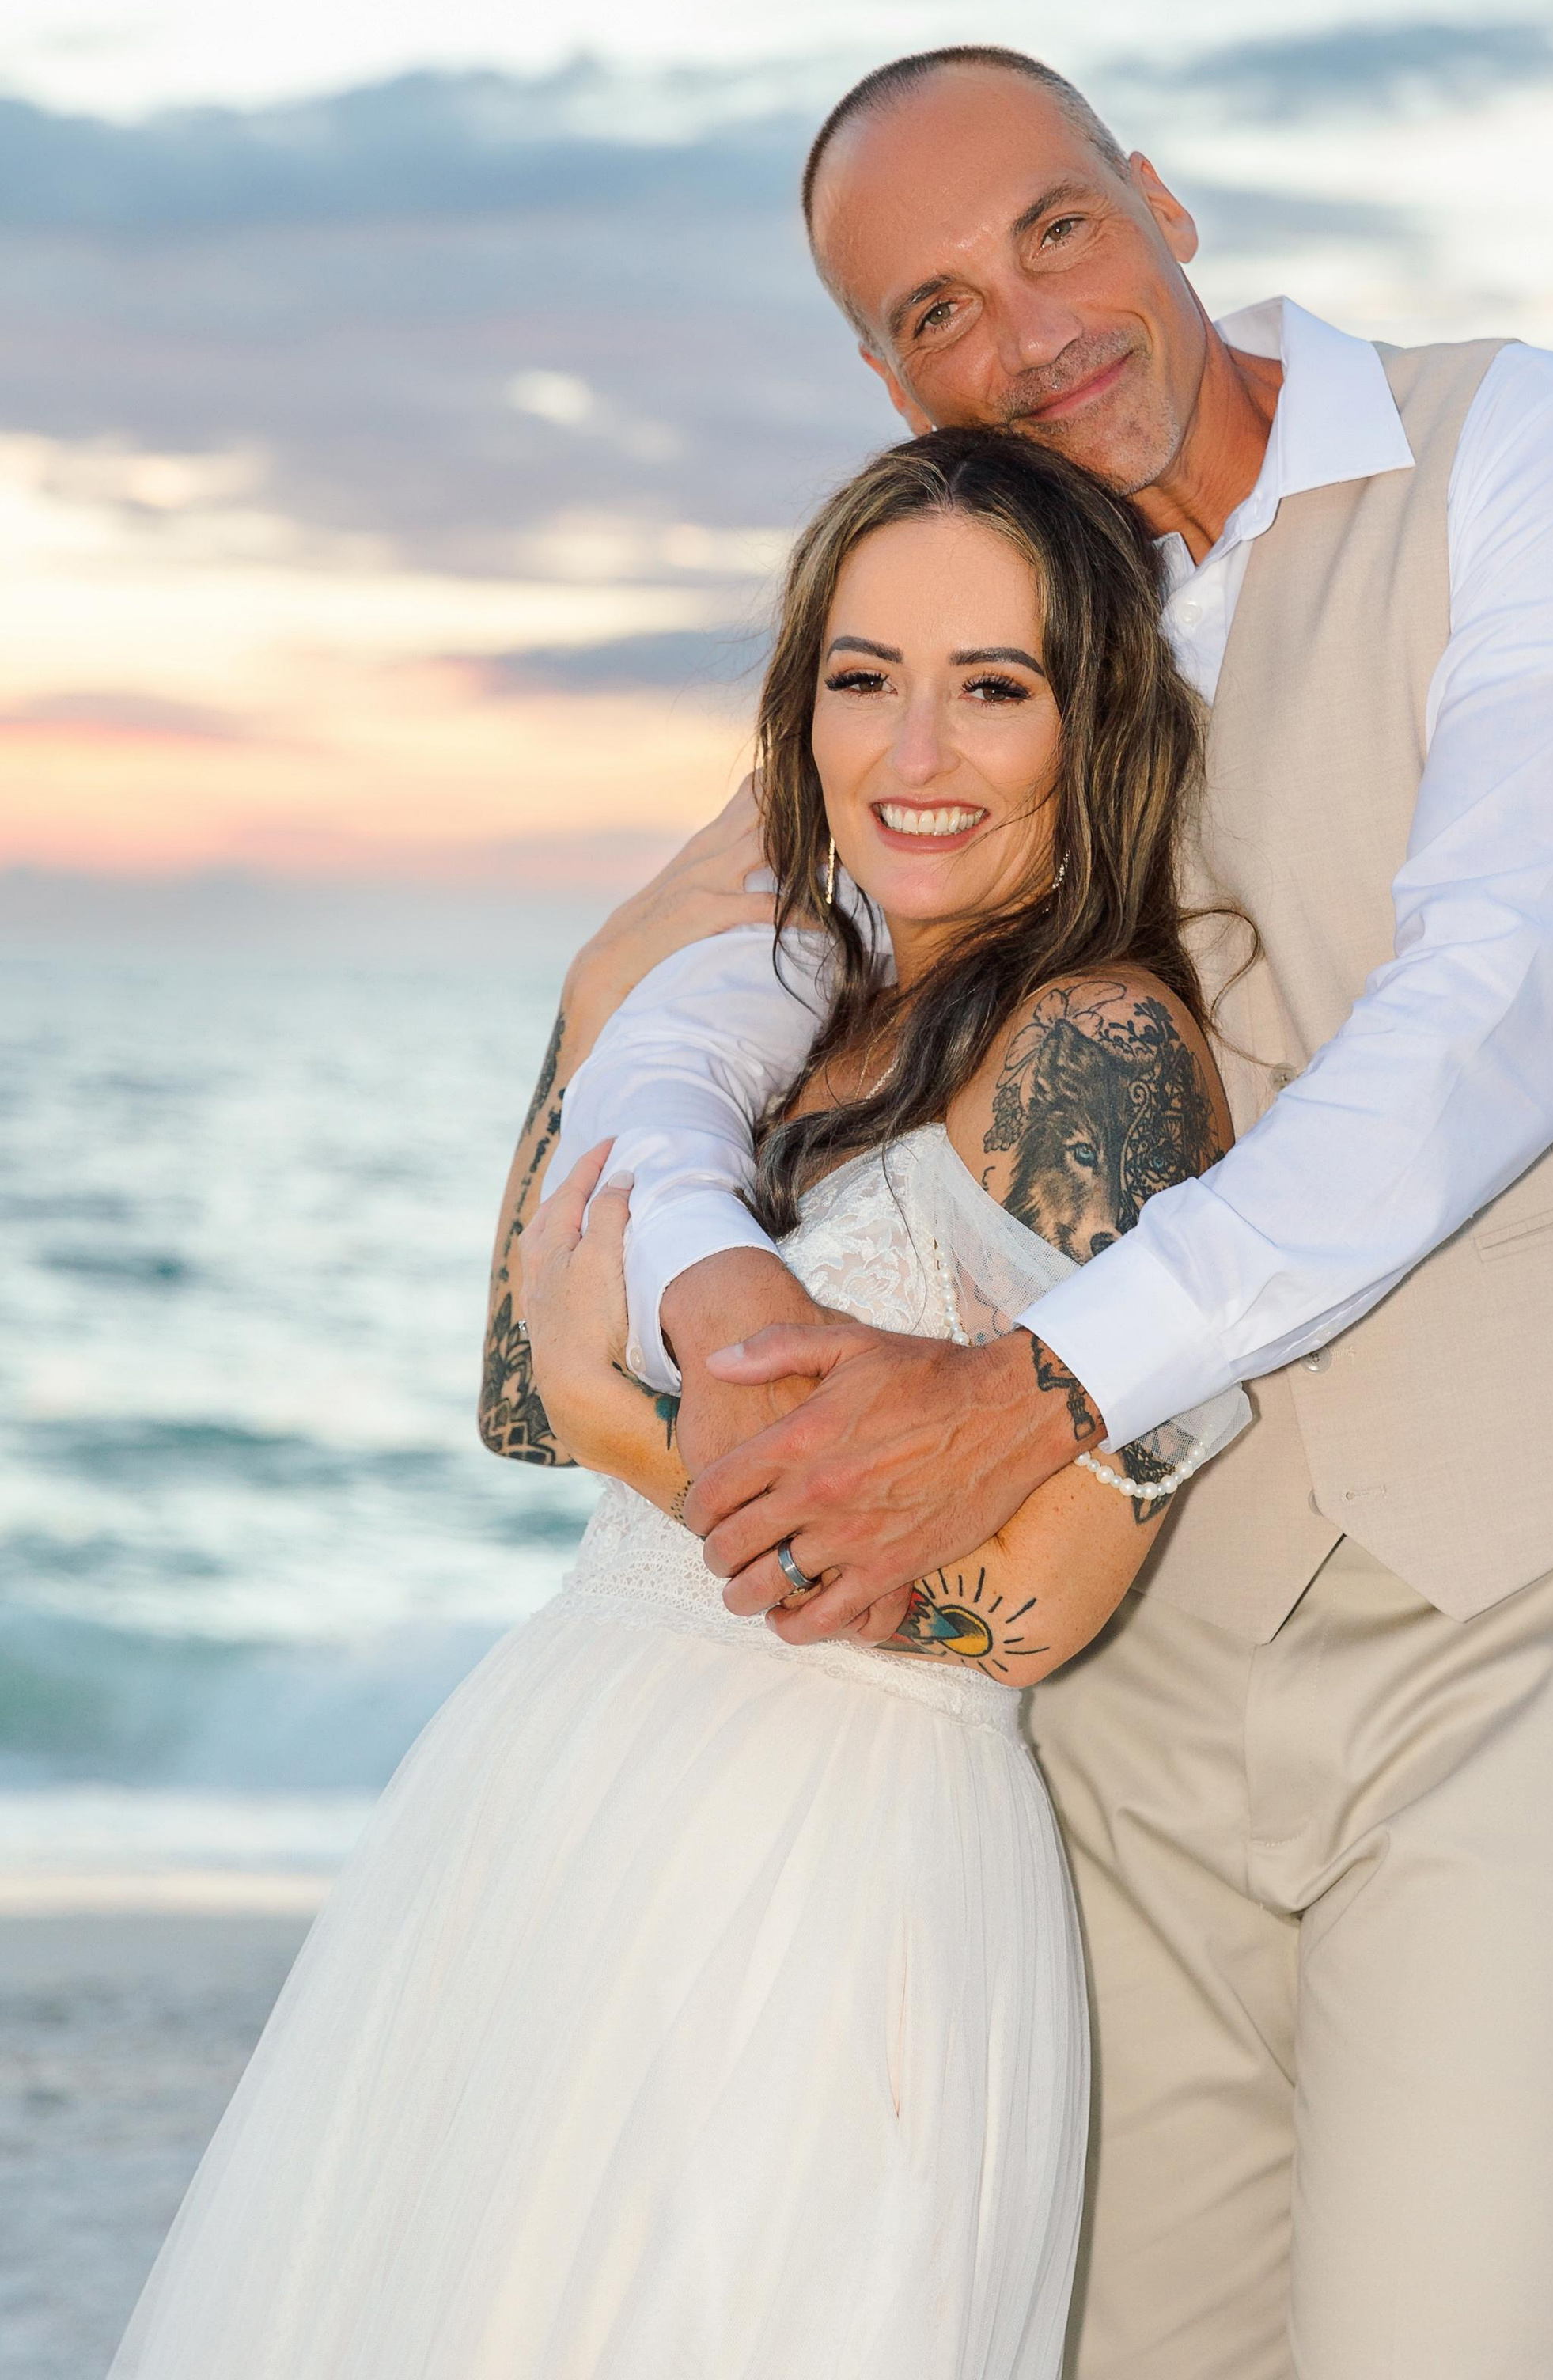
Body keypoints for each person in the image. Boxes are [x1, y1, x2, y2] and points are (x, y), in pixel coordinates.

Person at [559, 45, 1553, 2378]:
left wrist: (1032, 1384)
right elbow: (706, 969)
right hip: (1116, 1682)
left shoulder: (1522, 457)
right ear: (881, 374)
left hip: (1520, 1605)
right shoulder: (984, 625)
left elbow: (1492, 1008)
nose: (1020, 334)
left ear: (1165, 203)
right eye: (925, 313)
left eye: (1051, 232)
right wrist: (700, 1261)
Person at [109, 425, 1249, 2380]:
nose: (913, 753)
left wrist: (633, 1427)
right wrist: (604, 982)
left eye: (993, 689)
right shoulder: (800, 1011)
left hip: (825, 1856)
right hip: (561, 1797)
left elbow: (1034, 1610)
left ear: (1097, 726)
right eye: (860, 679)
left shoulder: (1099, 1047)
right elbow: (517, 1387)